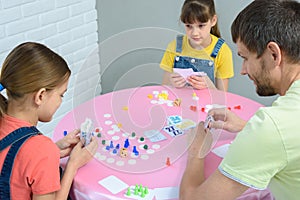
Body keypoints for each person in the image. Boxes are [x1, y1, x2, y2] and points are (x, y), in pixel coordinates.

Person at [179, 0, 300, 199]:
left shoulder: (272, 128)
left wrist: (196, 151)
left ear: (273, 54)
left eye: (245, 58)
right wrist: (246, 126)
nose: (243, 71)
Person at [0, 42, 98, 200]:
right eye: (61, 94)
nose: (60, 101)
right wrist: (73, 165)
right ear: (40, 96)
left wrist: (54, 150)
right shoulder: (41, 150)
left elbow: (18, 164)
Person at [160, 0, 234, 91]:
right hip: (179, 103)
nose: (195, 33)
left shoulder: (222, 51)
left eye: (201, 26)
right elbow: (164, 89)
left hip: (207, 104)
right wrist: (171, 83)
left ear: (213, 21)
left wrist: (209, 85)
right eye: (189, 26)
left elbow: (222, 97)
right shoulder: (174, 46)